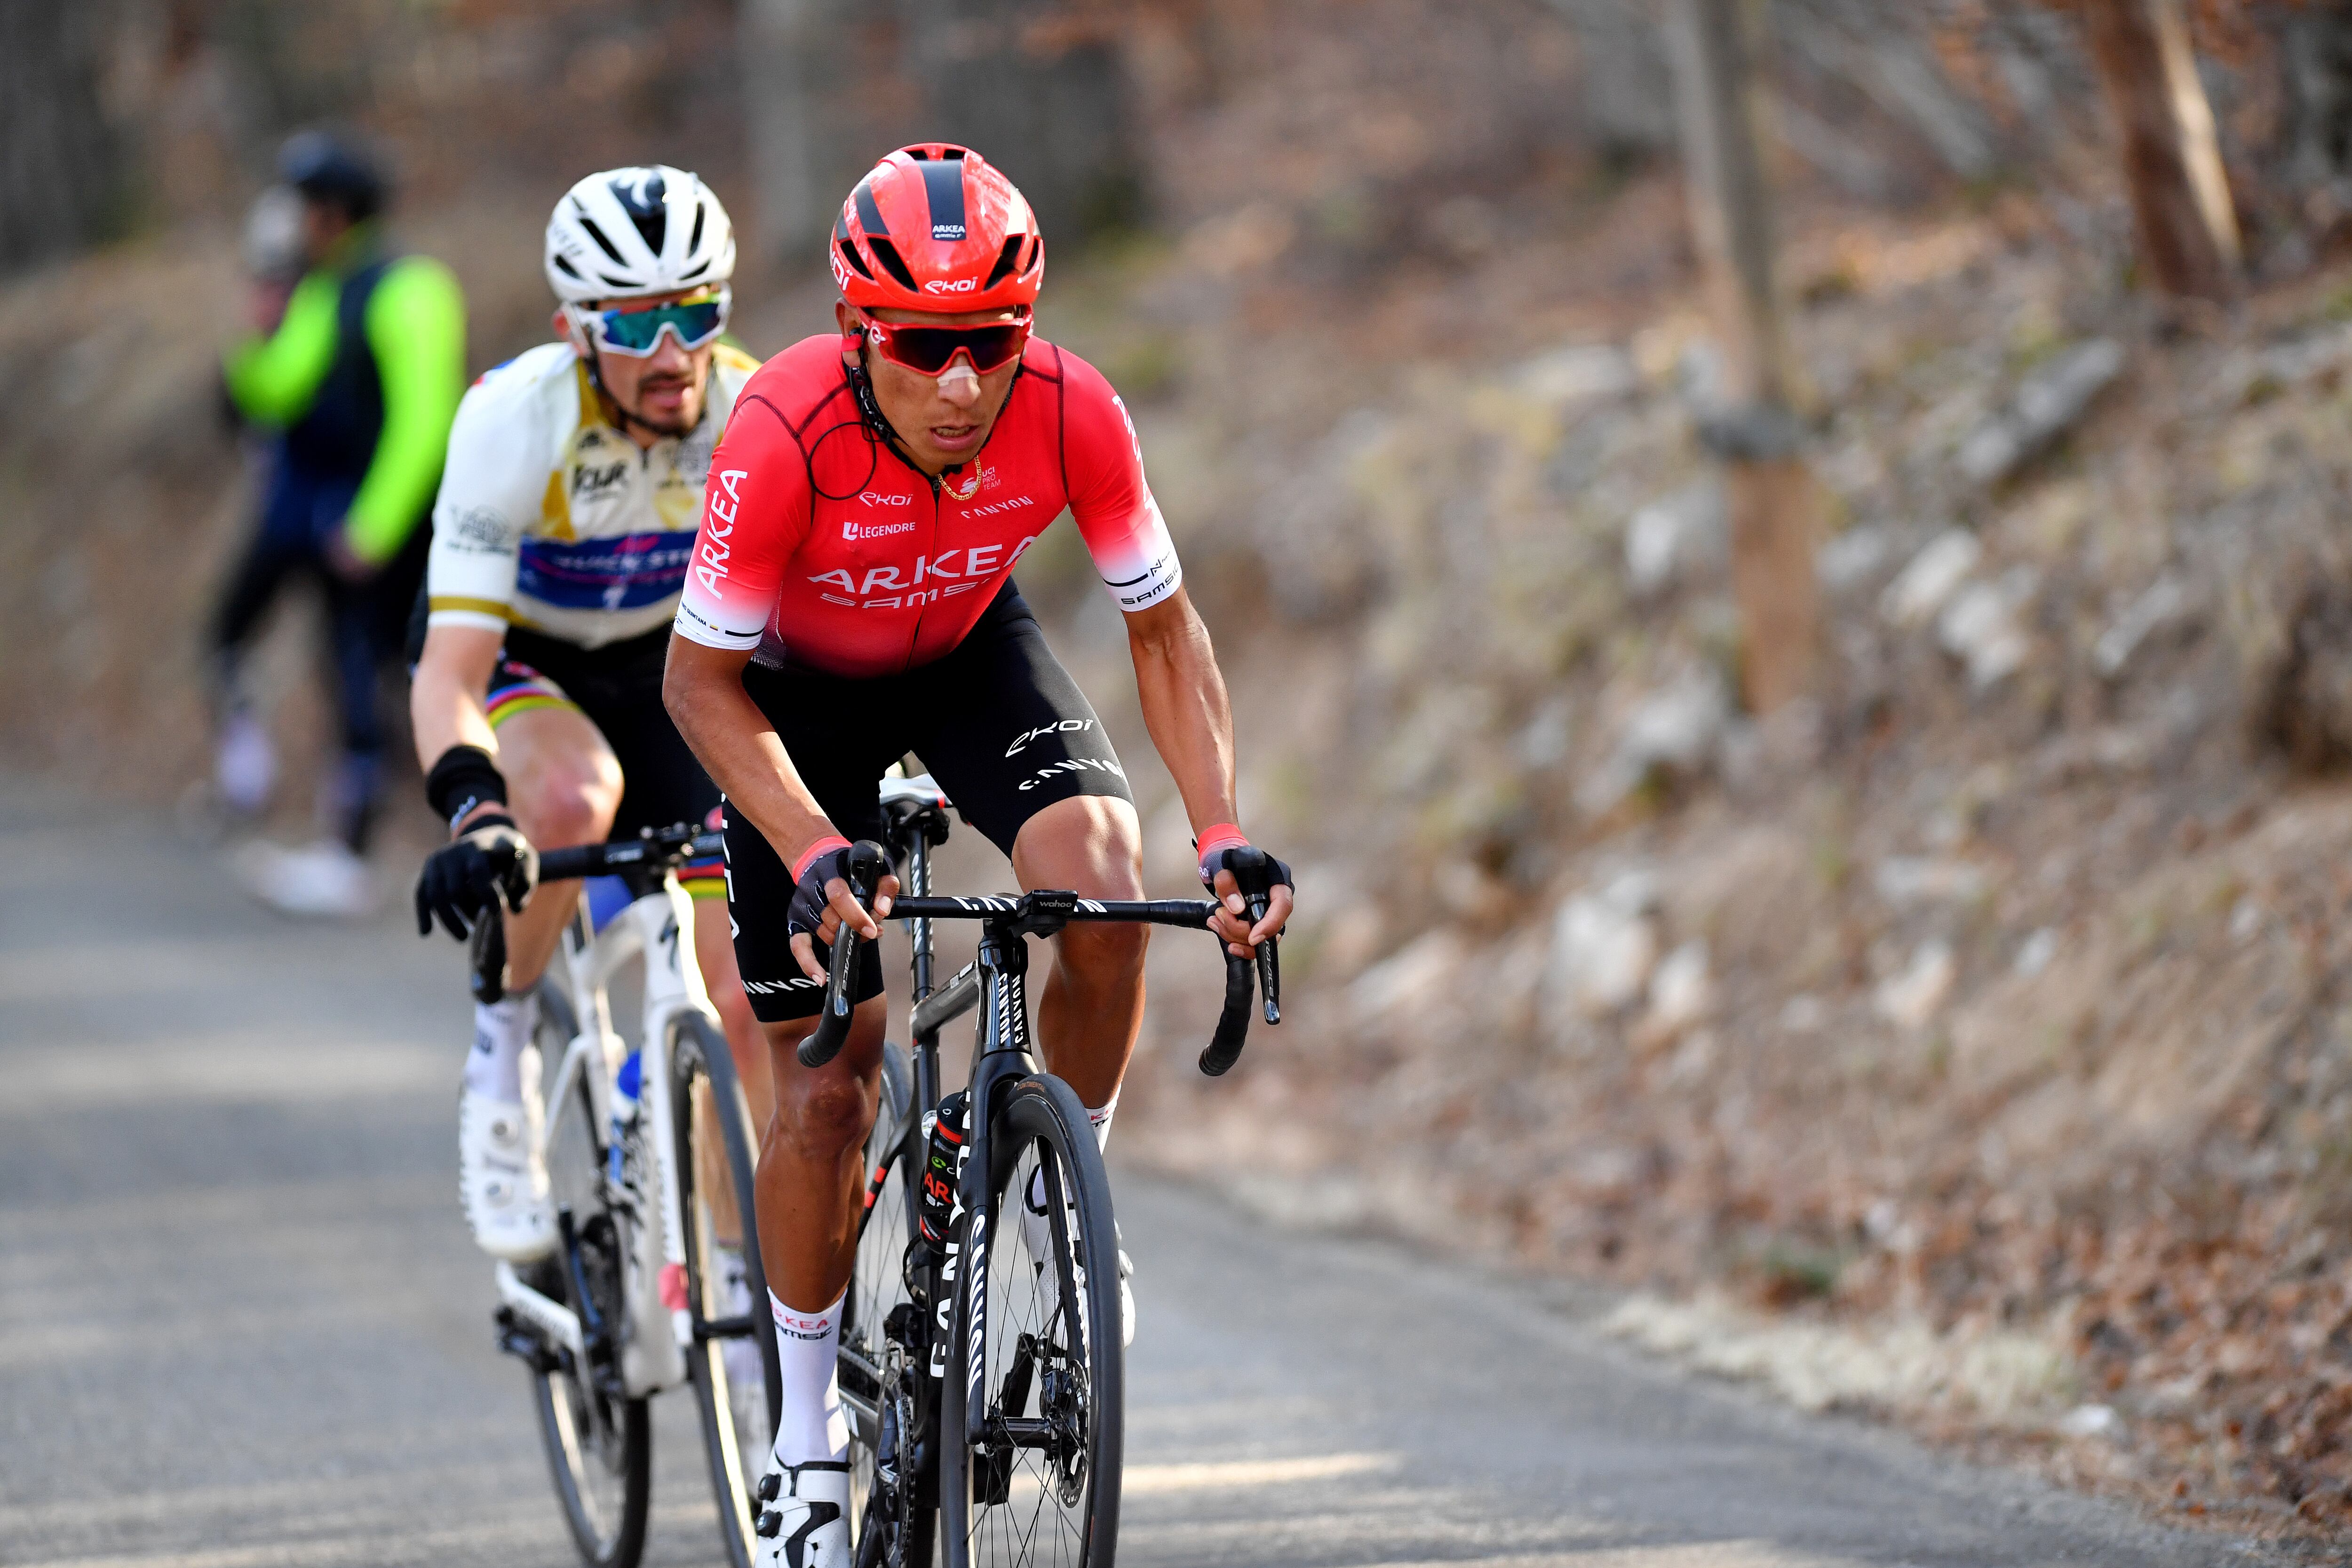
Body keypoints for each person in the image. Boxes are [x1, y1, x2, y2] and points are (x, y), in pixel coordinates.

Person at [660, 143, 1296, 1567]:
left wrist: (1226, 831)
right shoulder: (782, 428)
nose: (962, 383)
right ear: (856, 333)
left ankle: (1061, 1209)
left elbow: (1162, 632)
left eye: (992, 344)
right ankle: (806, 1438)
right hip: (793, 704)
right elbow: (697, 686)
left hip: (963, 653)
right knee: (834, 1076)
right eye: (926, 346)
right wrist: (815, 844)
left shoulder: (1073, 410)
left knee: (1104, 869)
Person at [406, 166, 769, 1272]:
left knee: (748, 1000)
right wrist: (476, 814)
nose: (671, 355)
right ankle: (500, 1054)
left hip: (669, 670)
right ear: (574, 328)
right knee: (569, 799)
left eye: (694, 315)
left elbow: (793, 636)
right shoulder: (514, 419)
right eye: (637, 326)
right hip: (531, 659)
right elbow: (446, 672)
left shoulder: (751, 412)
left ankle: (742, 1311)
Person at [214, 130, 466, 915]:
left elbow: (425, 421)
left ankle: (463, 841)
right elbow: (280, 384)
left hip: (409, 527)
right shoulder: (324, 289)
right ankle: (353, 847)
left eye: (303, 209)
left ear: (333, 212)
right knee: (357, 675)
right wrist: (250, 348)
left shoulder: (411, 287)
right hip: (354, 528)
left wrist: (374, 525)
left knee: (439, 675)